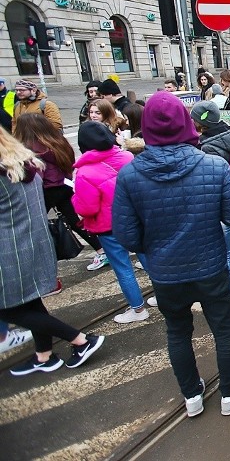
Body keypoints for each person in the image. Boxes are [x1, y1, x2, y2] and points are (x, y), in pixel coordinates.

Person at [112, 91, 230, 417]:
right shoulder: (214, 165)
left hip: (166, 272)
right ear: (185, 123)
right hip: (210, 266)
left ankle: (192, 397)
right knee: (223, 329)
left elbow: (127, 236)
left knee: (177, 332)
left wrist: (156, 244)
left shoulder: (130, 174)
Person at [0, 127, 105, 376]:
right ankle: (44, 356)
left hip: (8, 251)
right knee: (31, 302)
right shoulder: (23, 161)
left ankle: (80, 339)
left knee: (8, 308)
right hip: (33, 243)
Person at [71, 122, 149, 324]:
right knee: (147, 257)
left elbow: (86, 208)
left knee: (123, 267)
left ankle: (139, 310)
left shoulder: (85, 172)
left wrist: (74, 199)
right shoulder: (127, 157)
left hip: (108, 226)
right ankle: (166, 295)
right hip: (135, 218)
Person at [14, 113, 108, 271]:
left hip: (46, 189)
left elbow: (33, 174)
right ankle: (101, 250)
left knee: (34, 226)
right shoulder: (56, 141)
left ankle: (38, 265)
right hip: (64, 185)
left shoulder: (30, 147)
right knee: (76, 221)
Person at [190, 101, 230, 312]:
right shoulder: (229, 133)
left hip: (218, 203)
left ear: (199, 122)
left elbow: (211, 179)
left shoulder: (208, 145)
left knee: (228, 254)